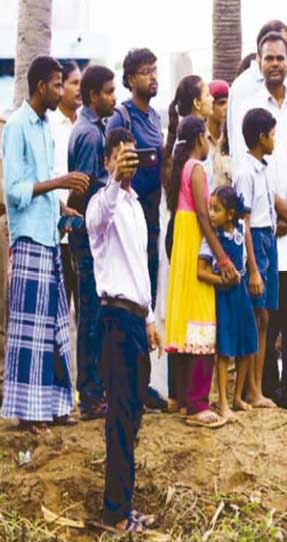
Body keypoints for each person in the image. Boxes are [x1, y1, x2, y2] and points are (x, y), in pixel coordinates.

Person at [1, 56, 89, 433]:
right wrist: (58, 183)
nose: (62, 90)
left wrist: (63, 207)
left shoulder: (44, 127)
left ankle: (52, 406)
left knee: (54, 325)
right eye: (57, 84)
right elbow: (15, 190)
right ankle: (29, 413)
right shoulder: (18, 126)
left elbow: (38, 186)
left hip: (50, 236)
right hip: (28, 238)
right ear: (40, 87)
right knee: (29, 330)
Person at [229, 31, 287, 406]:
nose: (275, 63)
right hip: (262, 225)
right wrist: (276, 205)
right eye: (268, 58)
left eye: (280, 58)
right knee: (265, 311)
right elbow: (242, 161)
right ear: (259, 63)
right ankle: (261, 387)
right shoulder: (248, 107)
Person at [86, 128, 161, 533]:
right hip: (113, 318)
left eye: (133, 155)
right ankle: (114, 512)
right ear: (107, 161)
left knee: (132, 414)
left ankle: (123, 504)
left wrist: (150, 318)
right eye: (121, 156)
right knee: (119, 415)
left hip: (134, 318)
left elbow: (138, 265)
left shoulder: (135, 206)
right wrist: (115, 180)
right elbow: (97, 220)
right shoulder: (103, 202)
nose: (129, 162)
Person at [164, 116, 236, 428]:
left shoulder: (181, 168)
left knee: (186, 318)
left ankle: (182, 399)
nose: (210, 141)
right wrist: (222, 258)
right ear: (198, 139)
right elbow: (205, 218)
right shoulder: (195, 169)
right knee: (202, 320)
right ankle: (197, 404)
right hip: (195, 243)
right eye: (207, 136)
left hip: (183, 242)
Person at [67, 63, 117, 420]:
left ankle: (94, 389)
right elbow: (82, 189)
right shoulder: (90, 135)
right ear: (92, 95)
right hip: (88, 239)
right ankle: (90, 394)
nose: (114, 98)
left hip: (87, 236)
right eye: (109, 92)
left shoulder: (92, 128)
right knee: (90, 315)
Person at [106, 48, 163, 307]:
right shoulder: (121, 117)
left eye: (155, 71)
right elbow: (109, 164)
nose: (153, 77)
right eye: (146, 72)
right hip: (128, 210)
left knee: (150, 276)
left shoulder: (155, 117)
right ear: (130, 80)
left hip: (152, 211)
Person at [197, 186, 259, 418]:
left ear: (231, 214)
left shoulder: (242, 230)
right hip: (224, 296)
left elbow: (247, 256)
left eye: (216, 209)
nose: (211, 214)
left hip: (241, 293)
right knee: (225, 349)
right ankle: (222, 401)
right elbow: (200, 272)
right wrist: (219, 280)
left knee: (247, 344)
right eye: (210, 208)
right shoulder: (211, 240)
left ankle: (238, 397)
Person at [234, 107, 279, 409]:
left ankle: (257, 386)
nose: (275, 140)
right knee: (253, 317)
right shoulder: (244, 171)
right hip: (255, 243)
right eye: (273, 135)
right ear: (261, 137)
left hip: (269, 240)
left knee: (264, 318)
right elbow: (245, 222)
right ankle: (249, 388)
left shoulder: (263, 168)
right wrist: (252, 268)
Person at [228, 19, 287, 170]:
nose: (277, 60)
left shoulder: (284, 92)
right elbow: (241, 145)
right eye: (270, 56)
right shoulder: (244, 86)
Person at [49, 61, 81, 314]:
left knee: (84, 312)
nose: (78, 89)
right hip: (56, 233)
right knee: (56, 311)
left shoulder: (85, 126)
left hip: (81, 233)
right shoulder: (48, 126)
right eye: (74, 83)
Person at [207, 80, 233, 188]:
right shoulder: (199, 139)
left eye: (229, 103)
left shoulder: (232, 139)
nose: (226, 107)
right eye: (221, 103)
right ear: (210, 105)